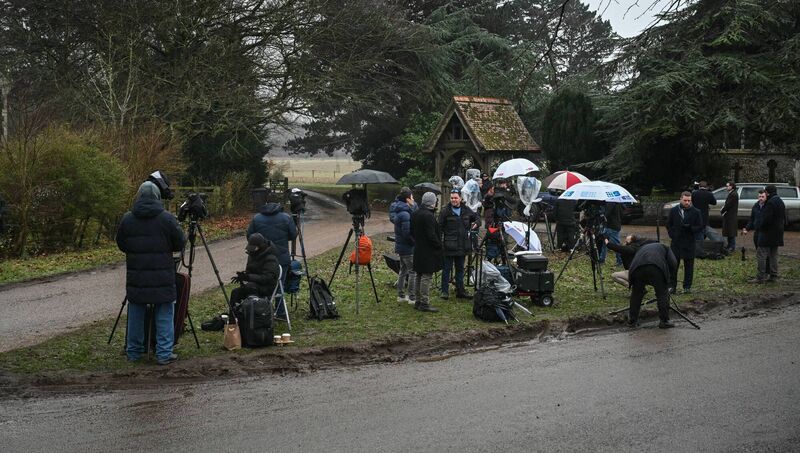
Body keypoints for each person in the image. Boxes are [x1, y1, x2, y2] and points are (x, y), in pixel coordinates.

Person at [116, 181, 186, 365]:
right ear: (157, 196)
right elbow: (180, 242)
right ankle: (164, 353)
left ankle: (133, 352)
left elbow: (121, 243)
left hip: (137, 276)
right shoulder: (167, 218)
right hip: (162, 276)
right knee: (164, 313)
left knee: (136, 314)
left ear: (138, 196)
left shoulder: (128, 219)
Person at [439, 189, 480, 299]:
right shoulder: (445, 211)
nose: (453, 200)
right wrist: (440, 243)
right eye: (452, 198)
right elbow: (439, 228)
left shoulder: (466, 210)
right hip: (449, 246)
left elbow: (477, 218)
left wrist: (476, 223)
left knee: (460, 269)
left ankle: (460, 291)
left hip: (462, 246)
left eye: (456, 198)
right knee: (446, 269)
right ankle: (444, 291)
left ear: (460, 199)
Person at [627, 242, 679, 329]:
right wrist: (669, 281)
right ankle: (664, 321)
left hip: (636, 268)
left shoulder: (642, 248)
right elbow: (673, 263)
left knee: (636, 294)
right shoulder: (665, 247)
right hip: (655, 267)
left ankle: (632, 321)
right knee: (662, 294)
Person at [229, 233, 280, 309]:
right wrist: (243, 276)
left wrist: (249, 277)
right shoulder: (252, 255)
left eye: (254, 248)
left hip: (267, 287)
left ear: (260, 246)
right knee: (235, 292)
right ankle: (234, 314)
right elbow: (249, 271)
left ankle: (253, 312)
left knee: (250, 288)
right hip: (253, 284)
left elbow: (267, 278)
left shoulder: (270, 258)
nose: (251, 250)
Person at [247, 200, 298, 276]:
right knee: (280, 281)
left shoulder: (256, 218)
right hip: (282, 258)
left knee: (262, 281)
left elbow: (250, 237)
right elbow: (293, 235)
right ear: (279, 204)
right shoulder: (286, 217)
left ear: (266, 204)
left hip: (261, 258)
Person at [410, 192, 442, 312]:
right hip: (428, 250)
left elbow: (411, 231)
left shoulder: (415, 213)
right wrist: (439, 245)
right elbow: (431, 235)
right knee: (426, 276)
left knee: (419, 274)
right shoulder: (428, 216)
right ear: (432, 203)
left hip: (418, 248)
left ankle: (418, 301)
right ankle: (424, 302)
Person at [667, 191, 703, 294]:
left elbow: (700, 226)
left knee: (689, 266)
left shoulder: (696, 212)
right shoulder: (674, 210)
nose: (687, 202)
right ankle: (672, 286)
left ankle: (687, 286)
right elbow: (669, 224)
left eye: (689, 201)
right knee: (673, 265)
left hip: (689, 242)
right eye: (685, 200)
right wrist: (672, 235)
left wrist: (691, 228)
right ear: (681, 199)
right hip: (676, 242)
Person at [751, 185, 786, 283]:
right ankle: (773, 275)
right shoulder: (780, 201)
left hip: (767, 233)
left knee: (761, 254)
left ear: (768, 192)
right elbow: (784, 218)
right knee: (773, 254)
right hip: (778, 232)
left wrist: (759, 226)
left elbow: (766, 219)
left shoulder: (770, 203)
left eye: (765, 192)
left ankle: (760, 276)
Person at [389, 187, 417, 304]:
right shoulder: (405, 214)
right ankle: (411, 297)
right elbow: (406, 233)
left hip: (401, 247)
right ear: (407, 199)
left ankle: (400, 295)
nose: (413, 199)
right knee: (412, 272)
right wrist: (414, 242)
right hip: (407, 248)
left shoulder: (399, 211)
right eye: (412, 197)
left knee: (403, 271)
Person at [720, 181, 739, 253]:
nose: (726, 187)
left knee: (731, 232)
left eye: (727, 186)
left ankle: (732, 246)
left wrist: (722, 210)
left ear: (731, 186)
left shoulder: (733, 194)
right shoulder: (732, 193)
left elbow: (728, 205)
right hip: (730, 215)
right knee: (729, 231)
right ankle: (730, 245)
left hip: (731, 216)